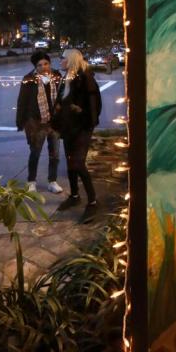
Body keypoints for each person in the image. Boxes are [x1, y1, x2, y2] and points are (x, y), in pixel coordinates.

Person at [56, 48, 102, 222]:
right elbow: (62, 101)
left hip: (82, 127)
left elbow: (94, 104)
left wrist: (81, 112)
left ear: (71, 60)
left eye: (63, 58)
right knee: (70, 161)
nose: (60, 60)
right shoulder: (68, 76)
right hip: (69, 127)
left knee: (77, 162)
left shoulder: (85, 77)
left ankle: (93, 201)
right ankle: (75, 195)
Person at [15, 51, 64, 194]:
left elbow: (61, 96)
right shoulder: (29, 79)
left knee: (54, 154)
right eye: (40, 65)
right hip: (37, 123)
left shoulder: (57, 76)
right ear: (35, 66)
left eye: (46, 63)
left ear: (50, 63)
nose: (43, 67)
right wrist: (21, 121)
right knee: (35, 153)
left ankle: (52, 181)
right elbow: (22, 101)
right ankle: (31, 181)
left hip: (54, 122)